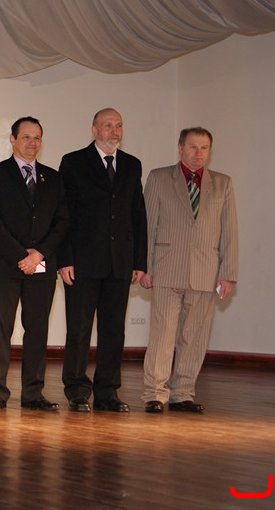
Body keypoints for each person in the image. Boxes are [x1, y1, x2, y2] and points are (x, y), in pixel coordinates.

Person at [140, 127, 238, 413]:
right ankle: (155, 393)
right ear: (180, 148)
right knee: (163, 335)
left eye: (204, 148)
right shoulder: (159, 178)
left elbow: (230, 232)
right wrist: (144, 267)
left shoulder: (223, 184)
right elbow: (148, 226)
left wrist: (228, 273)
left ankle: (182, 393)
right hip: (166, 268)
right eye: (193, 147)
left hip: (205, 272)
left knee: (194, 337)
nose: (198, 153)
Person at [57, 108, 147, 412]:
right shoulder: (73, 162)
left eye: (119, 125)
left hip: (119, 263)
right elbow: (64, 214)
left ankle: (108, 392)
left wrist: (139, 261)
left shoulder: (132, 165)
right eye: (108, 125)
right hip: (82, 263)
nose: (114, 131)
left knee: (113, 330)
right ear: (94, 130)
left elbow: (138, 215)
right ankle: (77, 389)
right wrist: (64, 259)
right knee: (79, 329)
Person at [0, 117, 68, 411]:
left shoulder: (53, 178)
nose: (33, 143)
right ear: (12, 139)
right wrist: (22, 255)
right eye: (27, 137)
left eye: (37, 137)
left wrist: (38, 254)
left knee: (37, 331)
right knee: (0, 330)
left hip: (41, 267)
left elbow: (62, 222)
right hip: (3, 267)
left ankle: (33, 394)